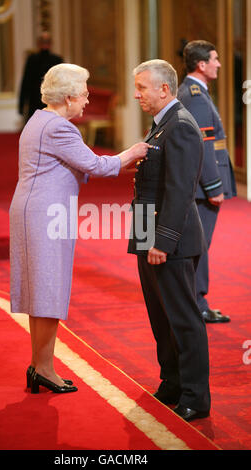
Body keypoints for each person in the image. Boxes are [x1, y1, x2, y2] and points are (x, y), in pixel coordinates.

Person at [10, 63, 150, 395]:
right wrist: (132, 152)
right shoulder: (59, 128)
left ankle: (39, 366)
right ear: (69, 96)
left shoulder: (39, 119)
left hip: (34, 210)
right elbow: (94, 165)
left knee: (40, 291)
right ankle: (43, 368)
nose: (87, 100)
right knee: (47, 290)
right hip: (45, 215)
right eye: (85, 94)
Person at [128, 59, 210, 421]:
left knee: (183, 320)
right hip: (149, 231)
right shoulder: (162, 124)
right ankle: (172, 382)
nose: (136, 94)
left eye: (142, 88)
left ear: (164, 89)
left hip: (169, 240)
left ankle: (195, 396)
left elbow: (179, 191)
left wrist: (162, 242)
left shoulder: (180, 126)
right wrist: (144, 240)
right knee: (160, 318)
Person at [177, 40, 237, 324]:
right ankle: (197, 303)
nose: (219, 64)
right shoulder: (196, 96)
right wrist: (214, 187)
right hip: (203, 189)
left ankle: (195, 301)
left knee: (198, 245)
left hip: (199, 187)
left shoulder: (193, 93)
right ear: (201, 65)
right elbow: (203, 146)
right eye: (215, 59)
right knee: (199, 246)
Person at [18, 31, 63, 122]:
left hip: (53, 100)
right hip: (34, 101)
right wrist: (21, 104)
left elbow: (62, 82)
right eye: (43, 41)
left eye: (47, 41)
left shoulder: (57, 60)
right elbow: (26, 82)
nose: (45, 44)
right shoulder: (32, 59)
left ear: (51, 43)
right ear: (38, 43)